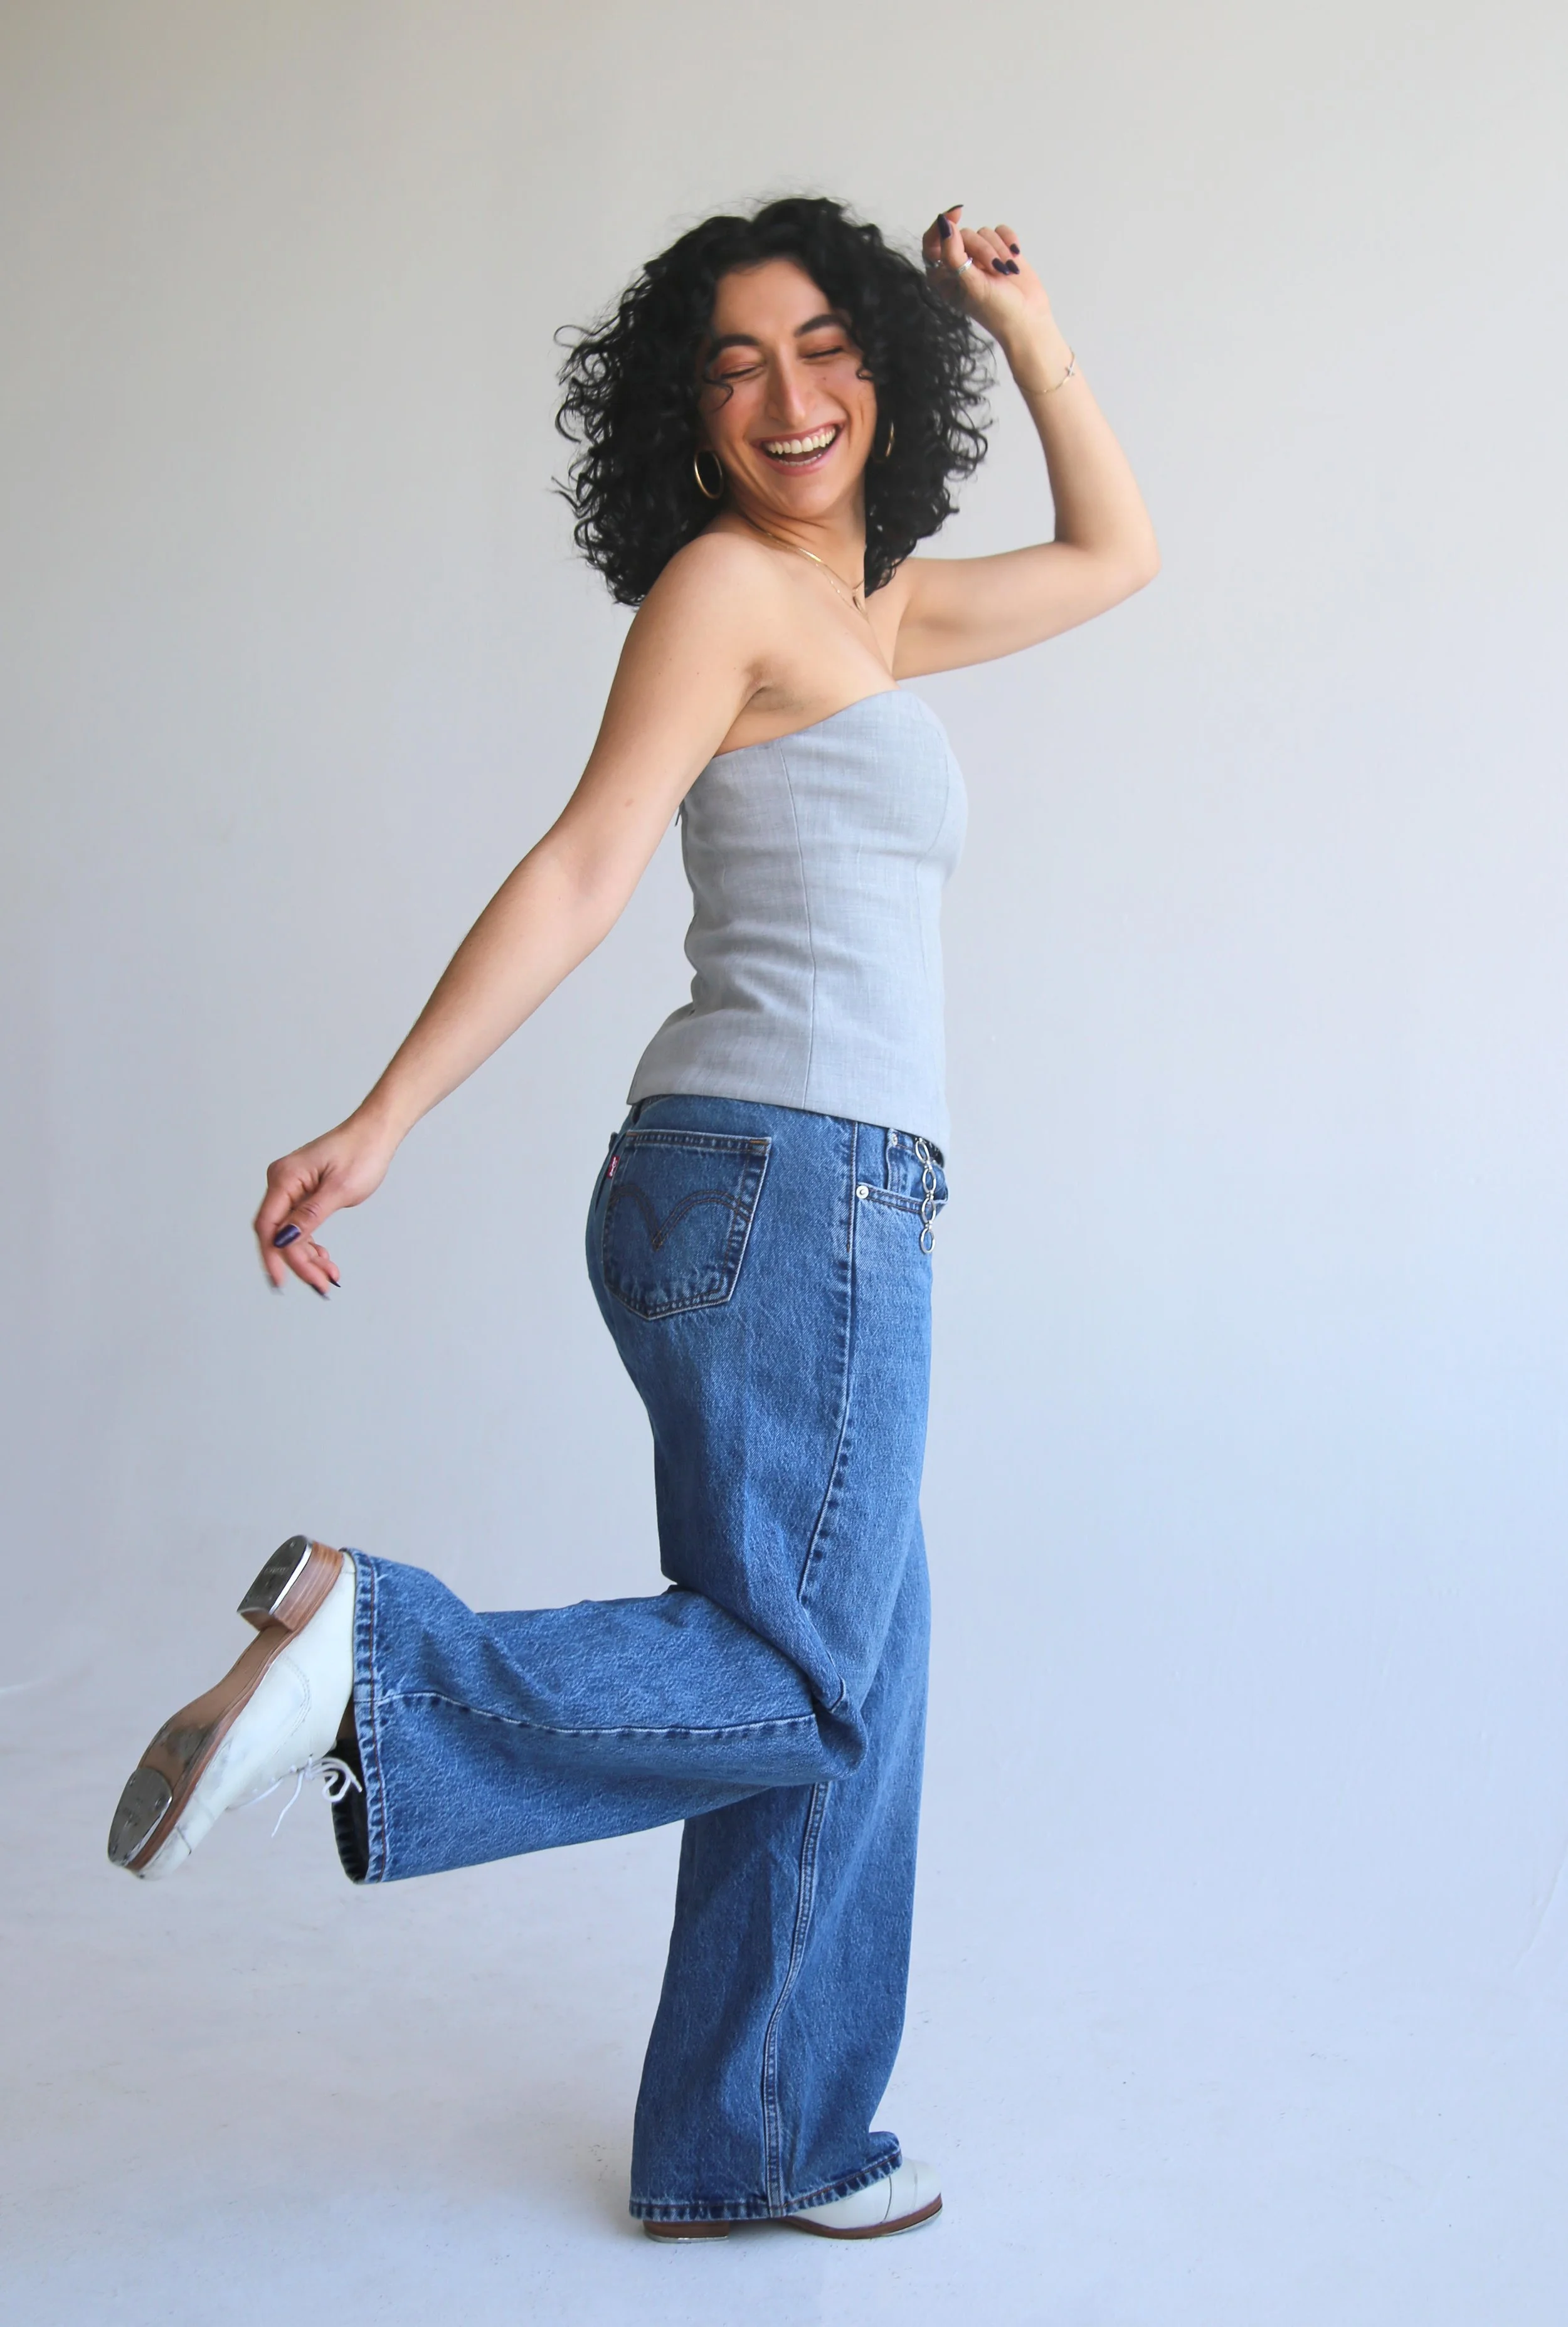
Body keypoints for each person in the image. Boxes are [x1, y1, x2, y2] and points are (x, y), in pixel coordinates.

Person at [107, 196, 1158, 2239]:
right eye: (736, 362)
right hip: (789, 1184)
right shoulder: (724, 590)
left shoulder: (862, 609)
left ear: (883, 374)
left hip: (795, 1188)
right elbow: (586, 861)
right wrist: (386, 1113)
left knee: (853, 1682)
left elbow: (1116, 555)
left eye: (827, 346)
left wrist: (1019, 322)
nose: (789, 394)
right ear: (685, 414)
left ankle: (753, 2142)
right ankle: (377, 1660)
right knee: (818, 1675)